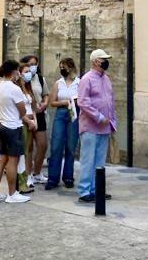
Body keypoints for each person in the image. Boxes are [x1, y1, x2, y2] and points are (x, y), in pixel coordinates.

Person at [0, 60, 37, 204]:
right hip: (12, 127)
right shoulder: (14, 88)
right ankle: (12, 193)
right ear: (14, 71)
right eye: (17, 70)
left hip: (1, 125)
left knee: (2, 160)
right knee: (13, 161)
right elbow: (22, 110)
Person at [76, 49, 116, 203]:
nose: (106, 61)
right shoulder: (87, 79)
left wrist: (112, 121)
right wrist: (99, 117)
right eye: (103, 59)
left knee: (100, 161)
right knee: (88, 160)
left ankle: (97, 189)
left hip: (104, 127)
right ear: (95, 61)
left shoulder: (106, 79)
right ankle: (85, 191)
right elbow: (83, 102)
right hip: (90, 127)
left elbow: (110, 101)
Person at [45, 57, 79, 190]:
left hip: (73, 115)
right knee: (56, 145)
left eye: (63, 67)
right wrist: (64, 102)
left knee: (71, 146)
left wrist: (75, 102)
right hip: (61, 114)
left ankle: (68, 176)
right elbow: (52, 102)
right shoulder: (58, 83)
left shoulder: (79, 83)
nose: (62, 69)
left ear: (70, 67)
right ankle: (53, 178)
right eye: (60, 67)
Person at [21, 54, 49, 185]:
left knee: (42, 144)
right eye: (31, 64)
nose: (33, 67)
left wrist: (44, 103)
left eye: (35, 64)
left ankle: (37, 172)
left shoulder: (40, 79)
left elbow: (46, 94)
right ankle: (28, 174)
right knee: (29, 146)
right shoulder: (22, 81)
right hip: (27, 115)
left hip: (39, 113)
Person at [17, 63, 37, 193]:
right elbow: (18, 109)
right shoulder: (17, 89)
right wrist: (28, 121)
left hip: (31, 120)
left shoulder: (28, 88)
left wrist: (34, 120)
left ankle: (27, 176)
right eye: (26, 71)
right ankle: (21, 181)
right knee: (22, 152)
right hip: (23, 121)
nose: (29, 73)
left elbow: (33, 106)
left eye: (30, 71)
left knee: (29, 150)